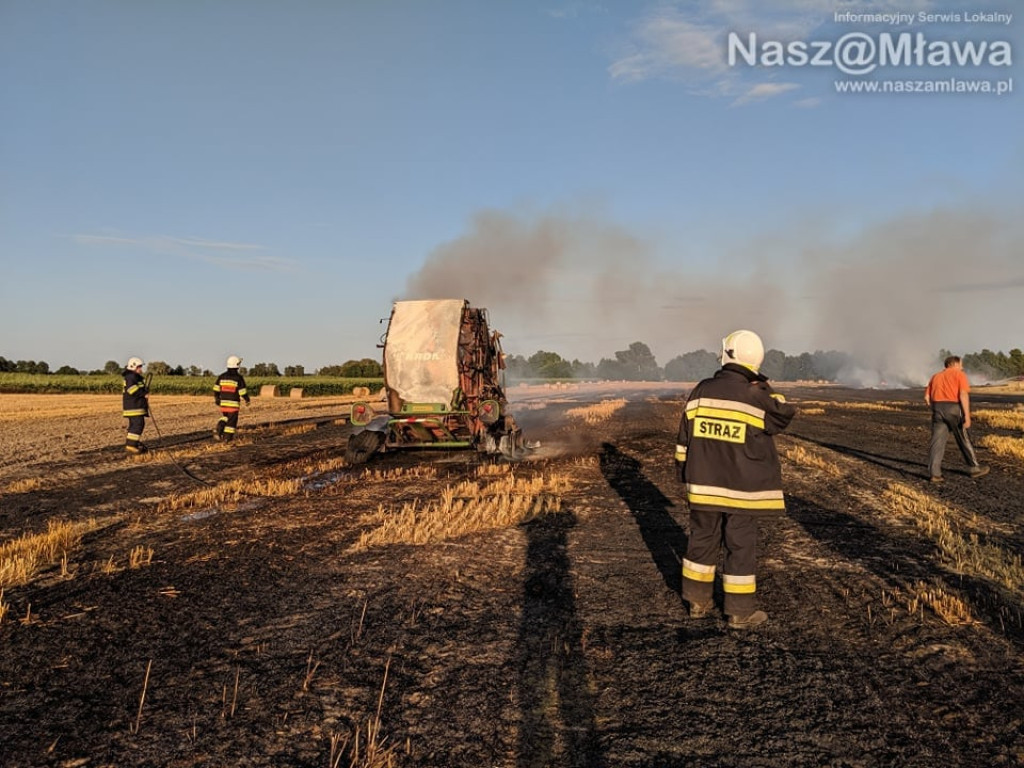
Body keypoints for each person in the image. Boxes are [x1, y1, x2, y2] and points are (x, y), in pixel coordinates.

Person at [674, 330, 796, 630]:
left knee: (701, 540)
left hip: (703, 485)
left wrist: (683, 474)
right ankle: (739, 612)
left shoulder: (701, 391)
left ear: (726, 355)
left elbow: (683, 441)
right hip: (741, 490)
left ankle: (697, 602)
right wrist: (761, 382)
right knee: (739, 545)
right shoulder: (757, 395)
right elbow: (784, 412)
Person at [924, 355, 989, 483]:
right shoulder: (959, 375)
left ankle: (934, 474)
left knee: (936, 442)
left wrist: (936, 407)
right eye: (961, 365)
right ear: (954, 364)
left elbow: (926, 398)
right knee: (963, 438)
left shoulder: (935, 376)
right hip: (953, 408)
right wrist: (967, 416)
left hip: (937, 409)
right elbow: (963, 394)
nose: (962, 367)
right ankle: (974, 468)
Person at [213, 355, 250, 442]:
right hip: (233, 404)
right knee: (231, 422)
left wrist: (217, 398)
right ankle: (227, 438)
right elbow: (242, 392)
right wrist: (247, 399)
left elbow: (216, 389)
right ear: (237, 365)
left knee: (226, 417)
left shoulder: (221, 376)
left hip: (223, 404)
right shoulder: (238, 378)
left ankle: (219, 427)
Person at [122, 357, 150, 454]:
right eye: (139, 367)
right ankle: (131, 445)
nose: (141, 369)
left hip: (134, 406)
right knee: (138, 425)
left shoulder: (132, 376)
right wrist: (143, 394)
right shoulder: (131, 377)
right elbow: (131, 389)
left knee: (135, 425)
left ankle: (132, 443)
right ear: (133, 366)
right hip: (134, 406)